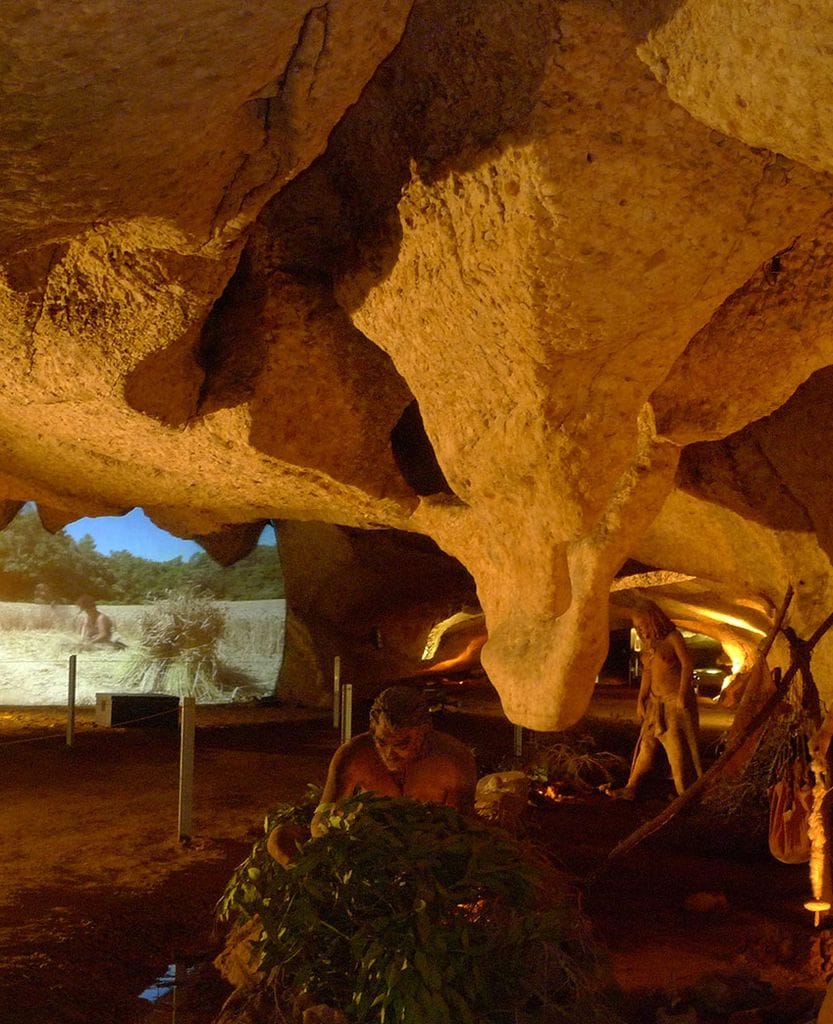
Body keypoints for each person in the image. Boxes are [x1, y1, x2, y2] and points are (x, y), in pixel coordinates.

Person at [267, 685, 478, 865]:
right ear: (371, 728)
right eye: (381, 742)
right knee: (280, 838)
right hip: (363, 851)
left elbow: (461, 829)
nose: (389, 754)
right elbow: (323, 819)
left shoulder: (454, 759)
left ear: (425, 731)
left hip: (429, 857)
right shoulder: (353, 755)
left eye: (402, 744)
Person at [606, 601, 702, 801]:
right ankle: (631, 787)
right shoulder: (649, 647)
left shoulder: (673, 638)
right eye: (637, 627)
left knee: (677, 750)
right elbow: (647, 675)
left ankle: (685, 794)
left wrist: (683, 694)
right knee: (647, 746)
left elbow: (687, 665)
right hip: (654, 703)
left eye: (643, 625)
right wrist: (640, 700)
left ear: (654, 620)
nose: (640, 630)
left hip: (674, 702)